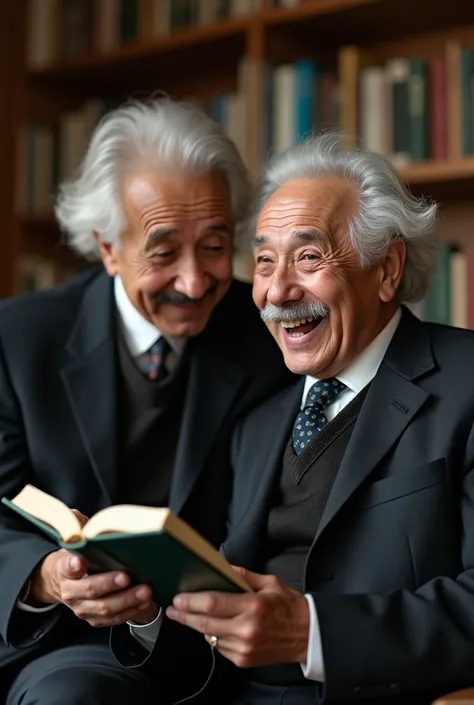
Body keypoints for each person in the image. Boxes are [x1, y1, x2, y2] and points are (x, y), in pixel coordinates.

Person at [130, 133, 474, 705]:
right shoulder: (257, 422)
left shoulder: (466, 383)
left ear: (387, 268)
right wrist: (150, 612)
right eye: (265, 261)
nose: (277, 291)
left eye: (308, 256)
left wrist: (311, 632)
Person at [0, 97, 294, 705]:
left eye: (215, 246)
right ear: (107, 247)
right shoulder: (19, 339)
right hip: (66, 642)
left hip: (223, 646)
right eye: (163, 253)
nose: (194, 282)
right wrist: (49, 577)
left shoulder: (273, 334)